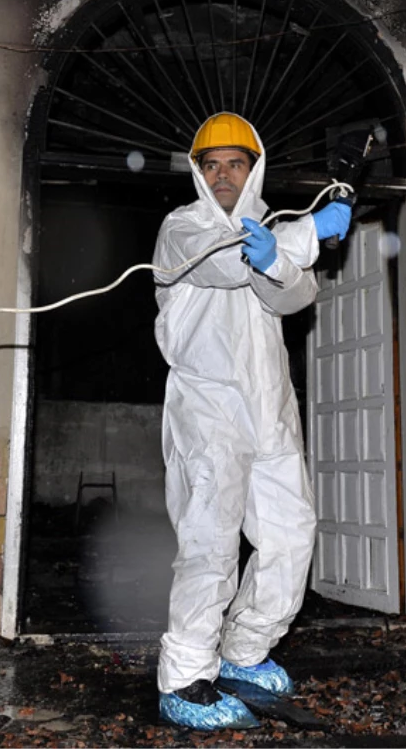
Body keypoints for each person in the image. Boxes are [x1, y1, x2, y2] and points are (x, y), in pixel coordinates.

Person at [151, 112, 352, 731]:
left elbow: (295, 297)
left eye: (234, 163)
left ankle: (243, 650)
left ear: (254, 168)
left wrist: (283, 254)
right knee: (210, 542)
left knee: (292, 535)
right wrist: (310, 229)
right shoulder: (182, 228)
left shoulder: (267, 231)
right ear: (197, 172)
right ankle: (185, 675)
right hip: (208, 409)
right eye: (210, 165)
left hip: (269, 407)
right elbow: (224, 262)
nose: (222, 176)